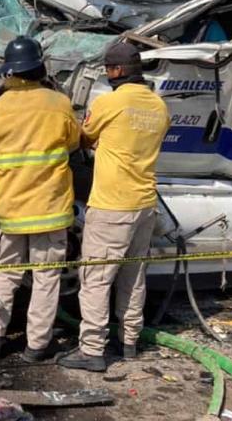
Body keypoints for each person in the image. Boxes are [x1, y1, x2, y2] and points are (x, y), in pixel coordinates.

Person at [57, 40, 170, 373]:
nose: (108, 74)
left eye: (109, 69)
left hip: (112, 205)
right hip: (145, 204)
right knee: (133, 278)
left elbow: (84, 138)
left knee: (95, 278)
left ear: (117, 71)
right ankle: (129, 340)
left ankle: (92, 350)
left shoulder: (109, 103)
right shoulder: (159, 106)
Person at [0, 35, 80, 362]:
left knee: (6, 273)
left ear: (10, 73)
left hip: (10, 211)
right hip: (50, 211)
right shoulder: (60, 104)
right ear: (40, 68)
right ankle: (36, 345)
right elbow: (75, 143)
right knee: (46, 278)